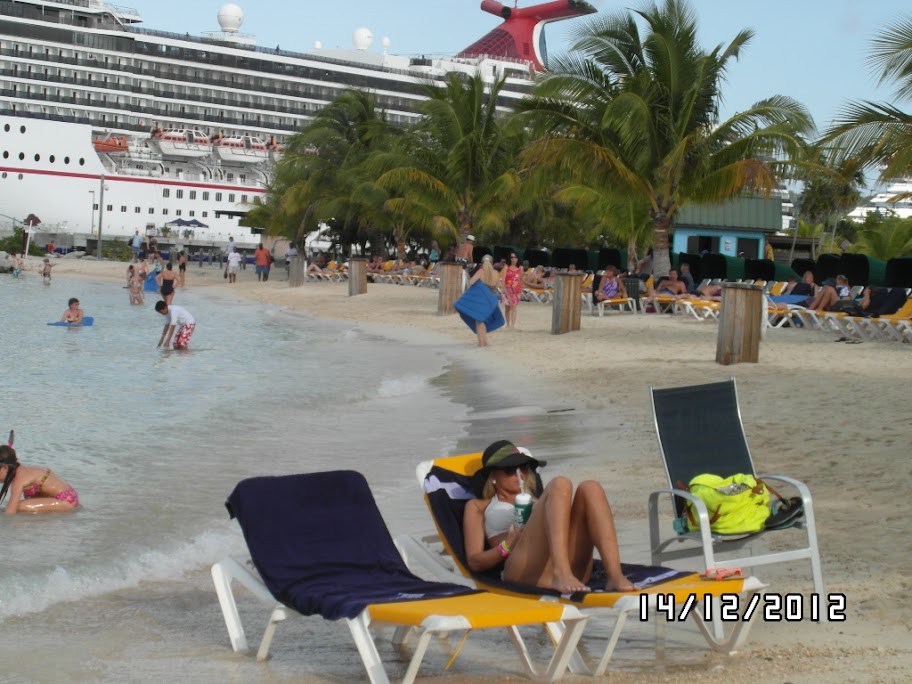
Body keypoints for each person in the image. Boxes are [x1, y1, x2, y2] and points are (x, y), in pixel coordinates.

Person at [463, 441, 634, 594]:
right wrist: (507, 545)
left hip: (572, 566)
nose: (519, 475)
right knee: (560, 484)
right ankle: (561, 573)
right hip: (523, 569)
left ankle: (615, 575)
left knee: (591, 488)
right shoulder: (478, 506)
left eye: (523, 468)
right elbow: (475, 562)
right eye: (510, 470)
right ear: (492, 476)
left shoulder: (539, 498)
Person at [0, 445, 79, 514]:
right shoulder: (23, 470)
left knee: (18, 506)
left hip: (66, 502)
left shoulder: (18, 480)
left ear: (5, 467)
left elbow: (10, 512)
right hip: (71, 496)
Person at [462, 254, 502, 347]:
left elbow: (471, 282)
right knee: (484, 320)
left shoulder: (481, 271)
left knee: (479, 320)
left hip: (482, 298)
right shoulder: (496, 273)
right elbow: (496, 286)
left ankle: (481, 342)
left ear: (482, 263)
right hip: (493, 299)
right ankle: (485, 342)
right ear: (492, 263)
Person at [500, 252, 523, 328]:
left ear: (518, 258)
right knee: (507, 308)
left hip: (516, 290)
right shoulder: (506, 267)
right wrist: (505, 291)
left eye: (515, 257)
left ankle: (512, 325)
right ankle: (508, 324)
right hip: (507, 289)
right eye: (512, 257)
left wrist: (520, 292)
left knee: (514, 307)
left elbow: (521, 280)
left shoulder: (520, 268)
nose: (513, 259)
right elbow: (503, 281)